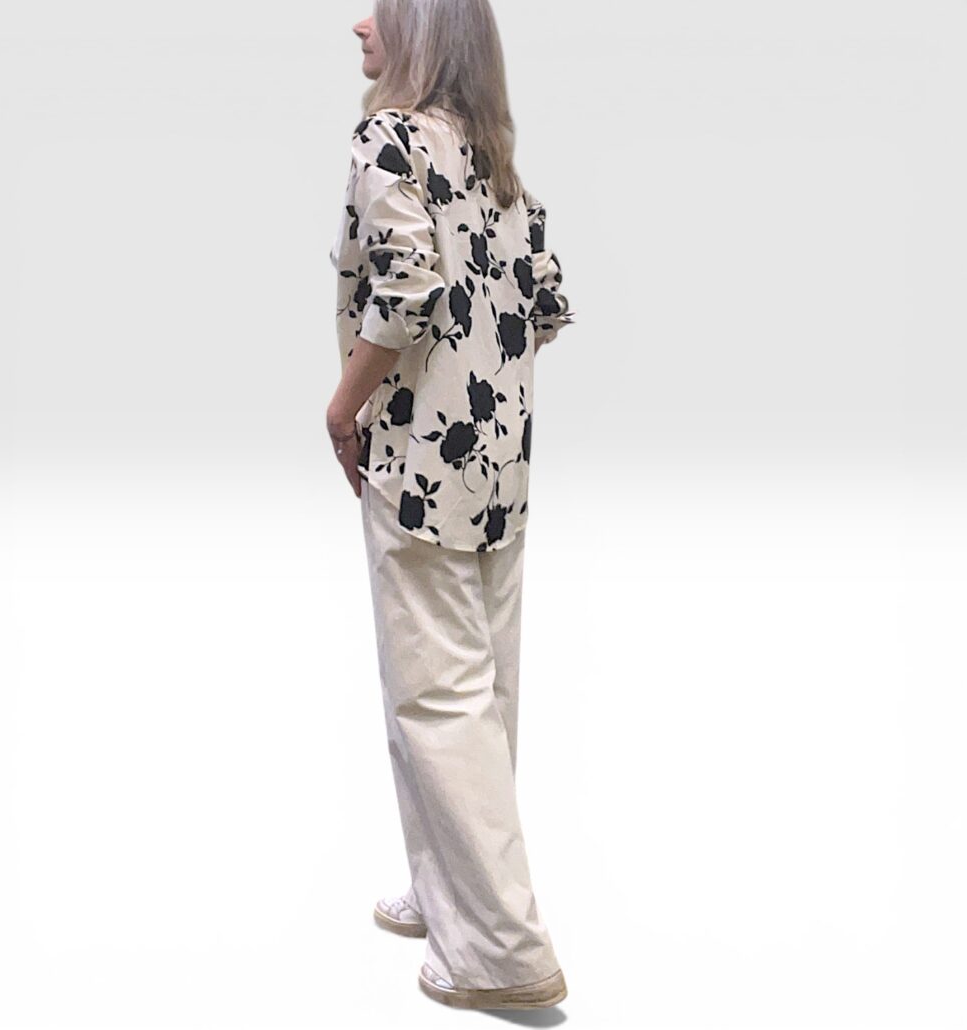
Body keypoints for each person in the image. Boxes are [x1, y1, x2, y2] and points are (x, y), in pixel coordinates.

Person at [325, 0, 576, 1010]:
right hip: (499, 462)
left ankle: (502, 954)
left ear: (421, 32)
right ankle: (449, 894)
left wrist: (343, 407)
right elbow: (545, 304)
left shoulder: (388, 139)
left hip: (419, 460)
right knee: (484, 691)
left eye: (380, 12)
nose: (358, 27)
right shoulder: (496, 158)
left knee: (434, 699)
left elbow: (405, 294)